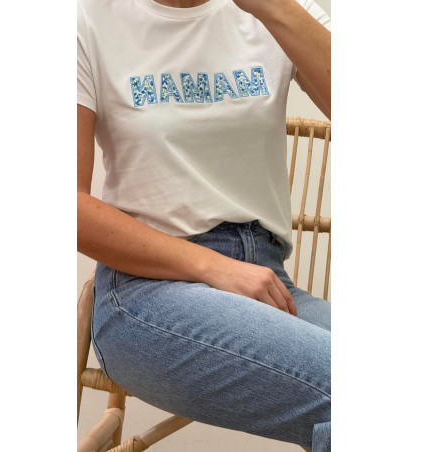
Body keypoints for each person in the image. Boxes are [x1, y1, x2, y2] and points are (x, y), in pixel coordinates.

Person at [77, 0, 331, 450]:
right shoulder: (88, 18)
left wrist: (274, 8)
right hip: (145, 290)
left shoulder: (277, 11)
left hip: (268, 283)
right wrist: (212, 266)